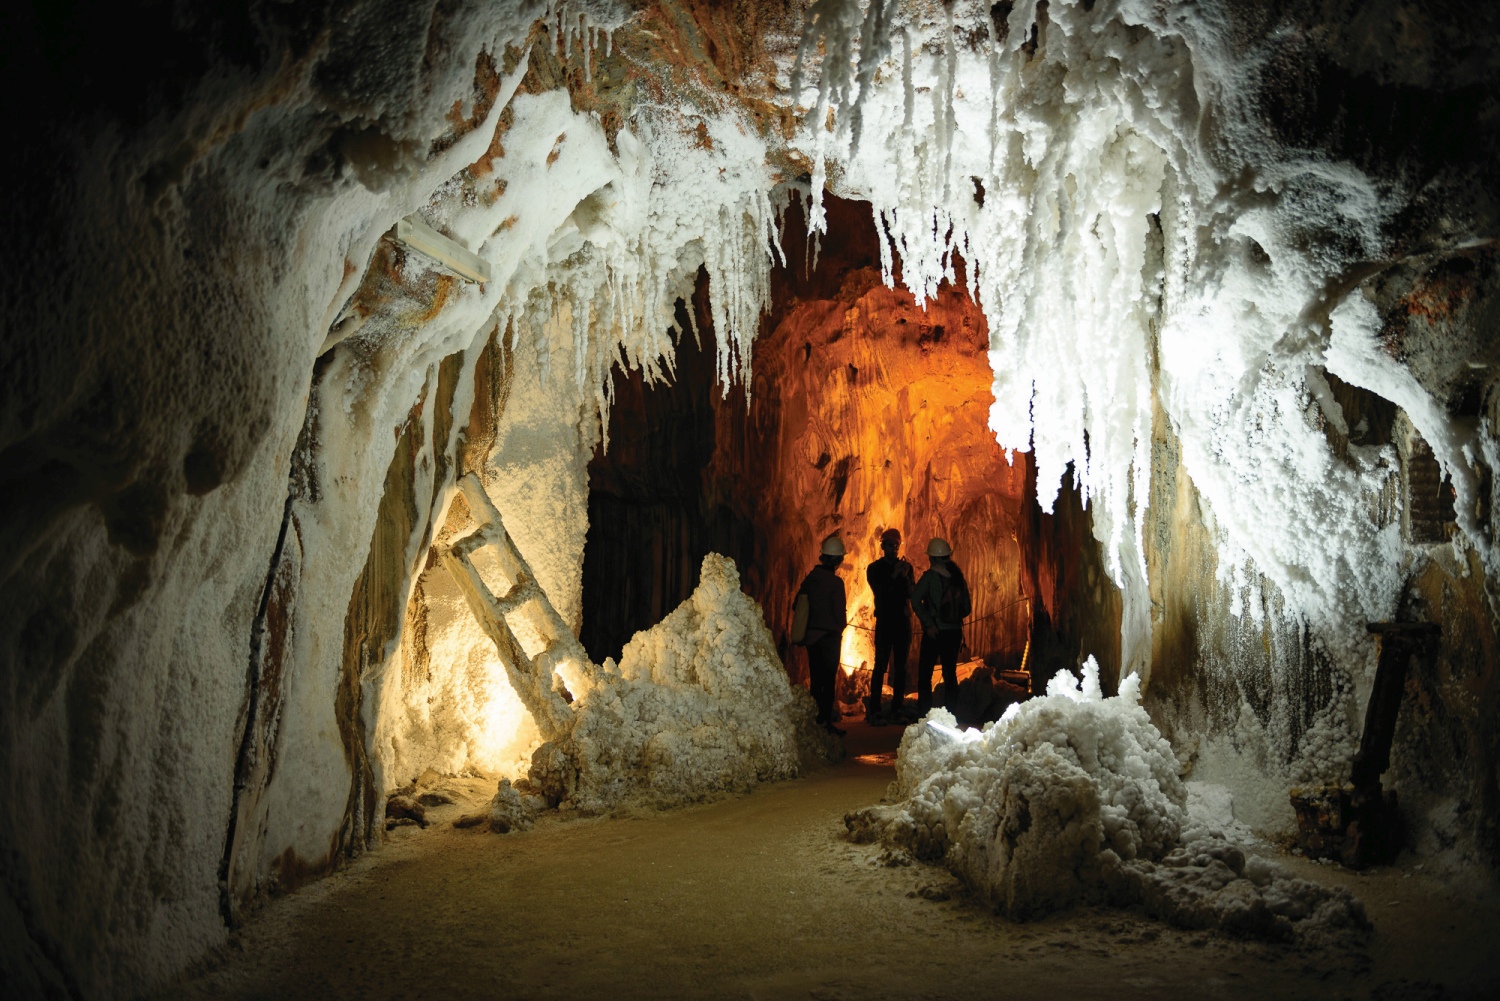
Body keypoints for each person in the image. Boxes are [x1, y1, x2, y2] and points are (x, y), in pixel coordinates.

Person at [794, 535, 848, 735]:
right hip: (829, 638)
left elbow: (797, 605)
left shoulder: (810, 579)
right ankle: (825, 722)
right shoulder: (835, 583)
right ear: (837, 560)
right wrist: (838, 628)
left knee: (816, 680)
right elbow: (839, 612)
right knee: (828, 680)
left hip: (812, 639)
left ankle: (815, 720)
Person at [911, 537, 970, 717]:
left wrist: (929, 622)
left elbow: (915, 599)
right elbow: (967, 608)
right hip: (954, 633)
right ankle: (950, 715)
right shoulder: (958, 577)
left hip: (934, 632)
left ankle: (924, 715)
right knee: (950, 674)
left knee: (925, 675)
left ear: (932, 558)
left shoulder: (930, 577)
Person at [865, 528, 915, 724]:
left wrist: (906, 579)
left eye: (896, 545)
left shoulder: (907, 568)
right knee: (880, 665)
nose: (893, 549)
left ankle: (897, 708)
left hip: (902, 620)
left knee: (901, 667)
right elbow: (880, 591)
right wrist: (896, 575)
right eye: (889, 545)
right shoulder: (874, 568)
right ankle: (875, 709)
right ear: (882, 546)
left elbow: (912, 592)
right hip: (886, 620)